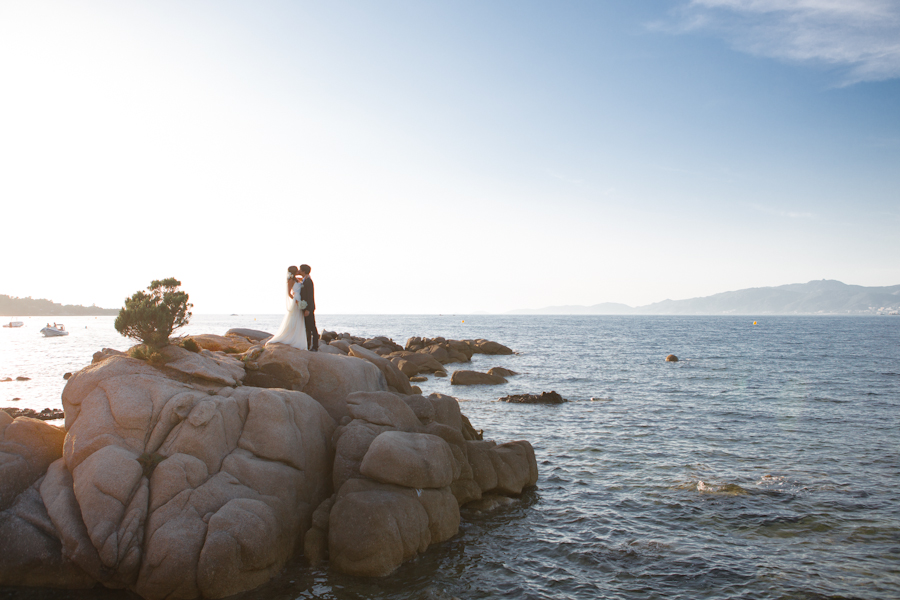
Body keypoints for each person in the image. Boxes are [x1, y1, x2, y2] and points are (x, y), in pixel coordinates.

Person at [265, 266, 308, 350]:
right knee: (294, 318)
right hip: (296, 300)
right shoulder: (290, 280)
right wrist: (295, 300)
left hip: (299, 299)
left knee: (299, 319)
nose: (298, 271)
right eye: (297, 270)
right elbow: (289, 293)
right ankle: (290, 337)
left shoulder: (296, 278)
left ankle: (297, 337)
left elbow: (303, 278)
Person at [298, 264, 319, 351]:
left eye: (300, 270)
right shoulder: (304, 280)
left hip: (309, 308)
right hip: (305, 307)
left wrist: (308, 309)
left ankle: (315, 347)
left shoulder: (309, 281)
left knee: (312, 328)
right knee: (307, 328)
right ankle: (308, 345)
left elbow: (310, 296)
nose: (299, 271)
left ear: (303, 271)